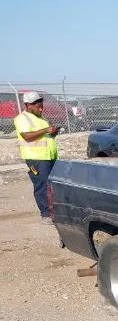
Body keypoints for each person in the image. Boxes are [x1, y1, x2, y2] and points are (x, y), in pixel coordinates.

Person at [14, 91, 59, 223]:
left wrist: (53, 133)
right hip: (36, 159)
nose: (41, 108)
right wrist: (46, 130)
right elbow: (27, 137)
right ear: (27, 105)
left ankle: (55, 212)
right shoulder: (22, 118)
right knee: (42, 185)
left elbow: (45, 137)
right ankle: (46, 214)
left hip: (50, 156)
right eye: (37, 106)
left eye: (41, 106)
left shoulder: (42, 119)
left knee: (53, 185)